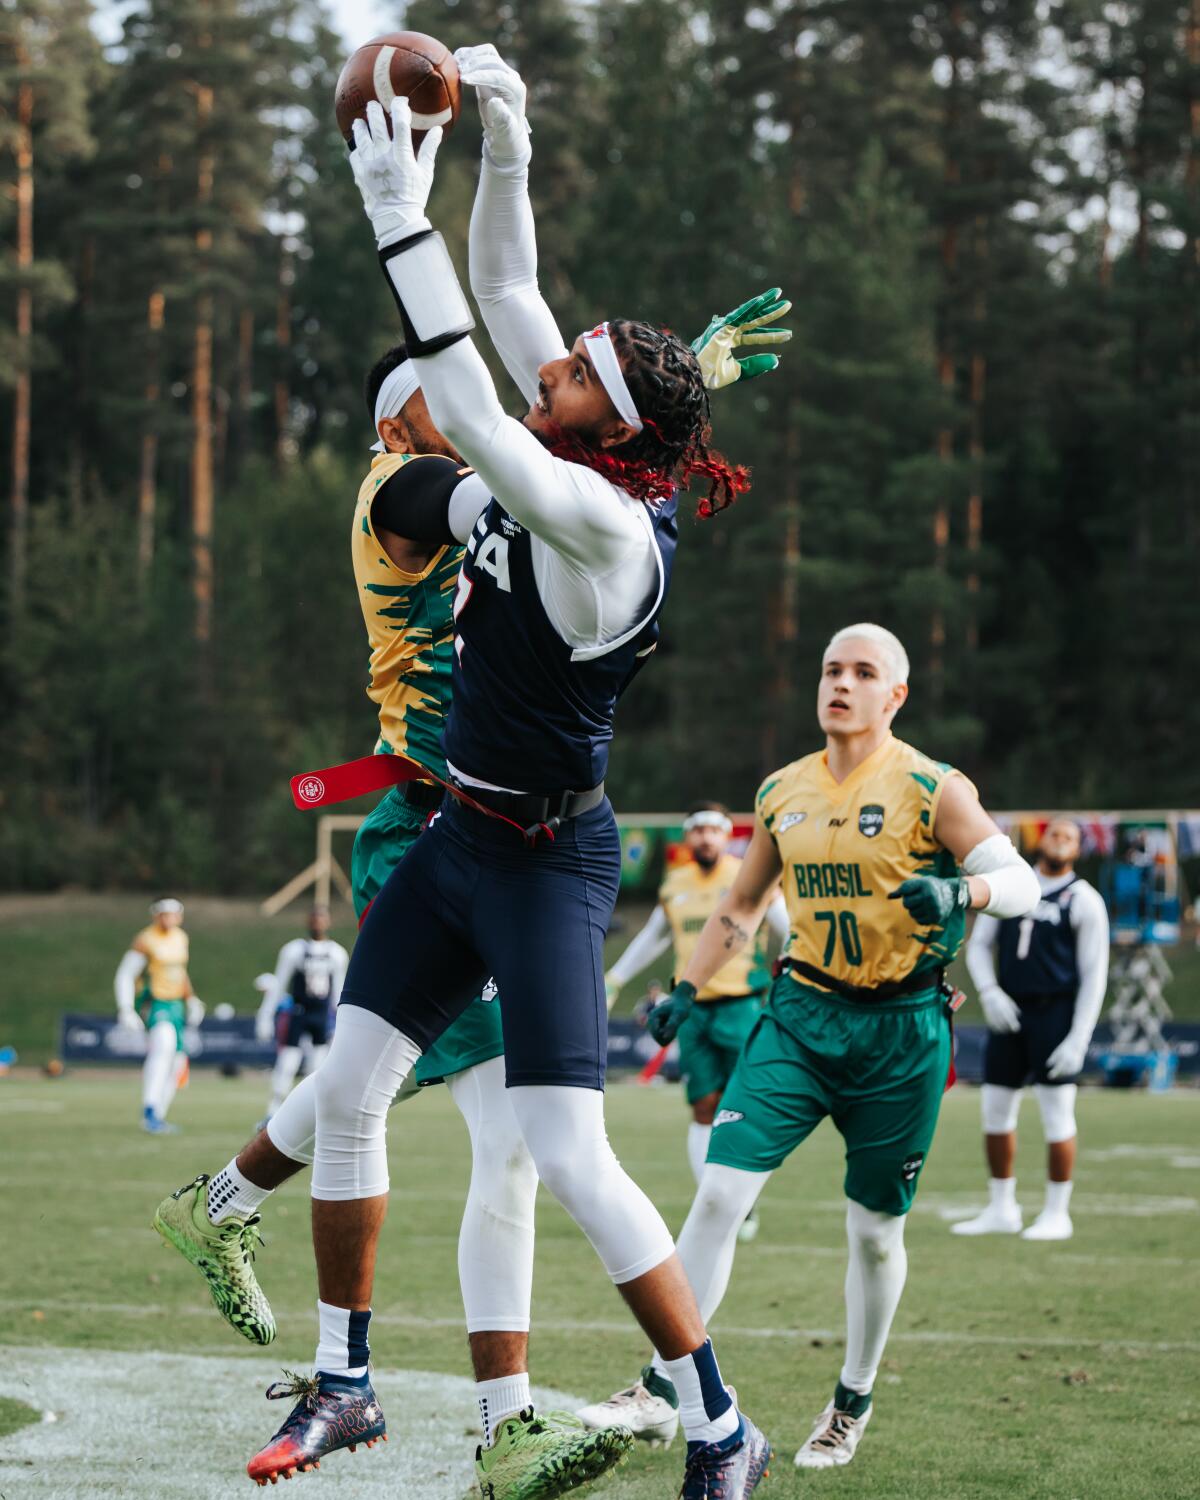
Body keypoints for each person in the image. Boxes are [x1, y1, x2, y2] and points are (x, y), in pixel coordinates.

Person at [248, 46, 784, 1499]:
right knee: (350, 1087)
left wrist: (389, 207)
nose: (542, 364)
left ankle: (722, 1423)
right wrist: (510, 140)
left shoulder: (603, 525)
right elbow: (506, 299)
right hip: (458, 837)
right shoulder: (591, 451)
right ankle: (347, 1384)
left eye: (571, 377)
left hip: (551, 858)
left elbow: (475, 404)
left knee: (568, 1149)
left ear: (607, 433)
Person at [578, 624, 1040, 1466]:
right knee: (718, 1195)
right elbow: (742, 907)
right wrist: (688, 983)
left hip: (902, 1033)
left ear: (895, 696)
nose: (842, 683)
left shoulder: (934, 787)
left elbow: (1022, 882)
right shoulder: (781, 790)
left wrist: (964, 887)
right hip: (798, 1015)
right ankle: (658, 1384)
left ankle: (850, 1401)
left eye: (864, 673)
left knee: (872, 1232)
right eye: (832, 669)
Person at [604, 801, 788, 1237]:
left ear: (728, 836)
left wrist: (796, 975)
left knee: (744, 1106)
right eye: (698, 830)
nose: (705, 837)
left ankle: (743, 1201)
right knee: (703, 1106)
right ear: (687, 838)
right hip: (694, 1010)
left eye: (714, 830)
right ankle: (714, 1202)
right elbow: (654, 938)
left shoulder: (749, 876)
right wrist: (616, 977)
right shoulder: (675, 884)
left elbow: (791, 929)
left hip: (743, 1006)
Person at [953, 818, 1109, 1241]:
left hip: (1054, 1015)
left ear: (1079, 849)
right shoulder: (1014, 886)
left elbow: (1095, 974)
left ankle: (1058, 1212)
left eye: (1071, 837)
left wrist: (1079, 1037)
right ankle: (1002, 1207)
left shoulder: (1083, 900)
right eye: (1056, 833)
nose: (1061, 841)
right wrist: (989, 992)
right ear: (1043, 839)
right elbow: (980, 944)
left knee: (1058, 1113)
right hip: (1009, 1012)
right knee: (996, 1109)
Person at [114, 897, 203, 1133]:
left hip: (176, 1004)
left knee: (177, 1060)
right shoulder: (146, 939)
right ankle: (150, 1109)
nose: (168, 918)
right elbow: (125, 974)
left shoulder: (181, 938)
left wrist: (191, 998)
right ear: (155, 915)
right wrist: (125, 1007)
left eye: (173, 914)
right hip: (154, 1002)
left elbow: (180, 973)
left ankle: (158, 1115)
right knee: (163, 1046)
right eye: (163, 914)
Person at [256, 906, 349, 1123]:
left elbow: (339, 991)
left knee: (317, 1067)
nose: (318, 923)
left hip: (321, 1016)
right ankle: (273, 1113)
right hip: (298, 1013)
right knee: (287, 1062)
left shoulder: (336, 953)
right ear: (308, 921)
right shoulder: (294, 950)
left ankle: (308, 1117)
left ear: (329, 922)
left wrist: (341, 1022)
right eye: (314, 918)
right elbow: (279, 985)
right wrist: (266, 1015)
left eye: (322, 918)